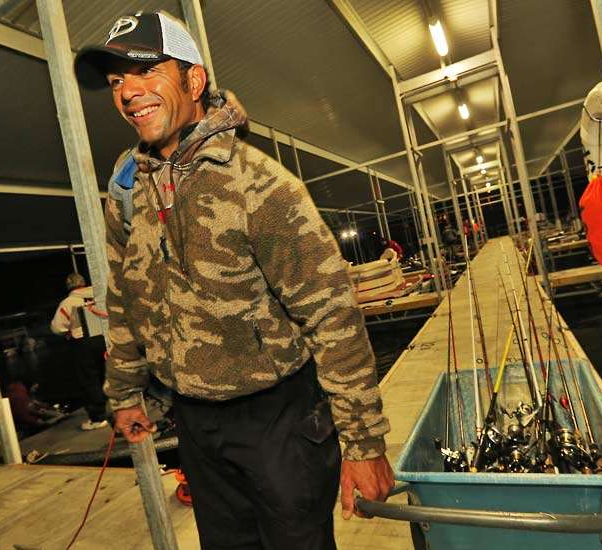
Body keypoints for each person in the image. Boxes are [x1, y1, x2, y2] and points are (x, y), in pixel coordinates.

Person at [74, 11, 393, 548]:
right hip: (195, 424)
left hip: (279, 424)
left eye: (146, 71)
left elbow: (331, 313)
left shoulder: (259, 183)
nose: (129, 92)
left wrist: (363, 444)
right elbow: (125, 296)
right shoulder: (129, 192)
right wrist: (126, 391)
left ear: (192, 80)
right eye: (116, 82)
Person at [50, 273, 108, 430]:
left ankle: (98, 417)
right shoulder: (99, 295)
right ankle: (118, 408)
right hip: (104, 340)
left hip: (83, 344)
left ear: (69, 286)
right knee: (108, 374)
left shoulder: (67, 302)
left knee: (89, 379)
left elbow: (57, 327)